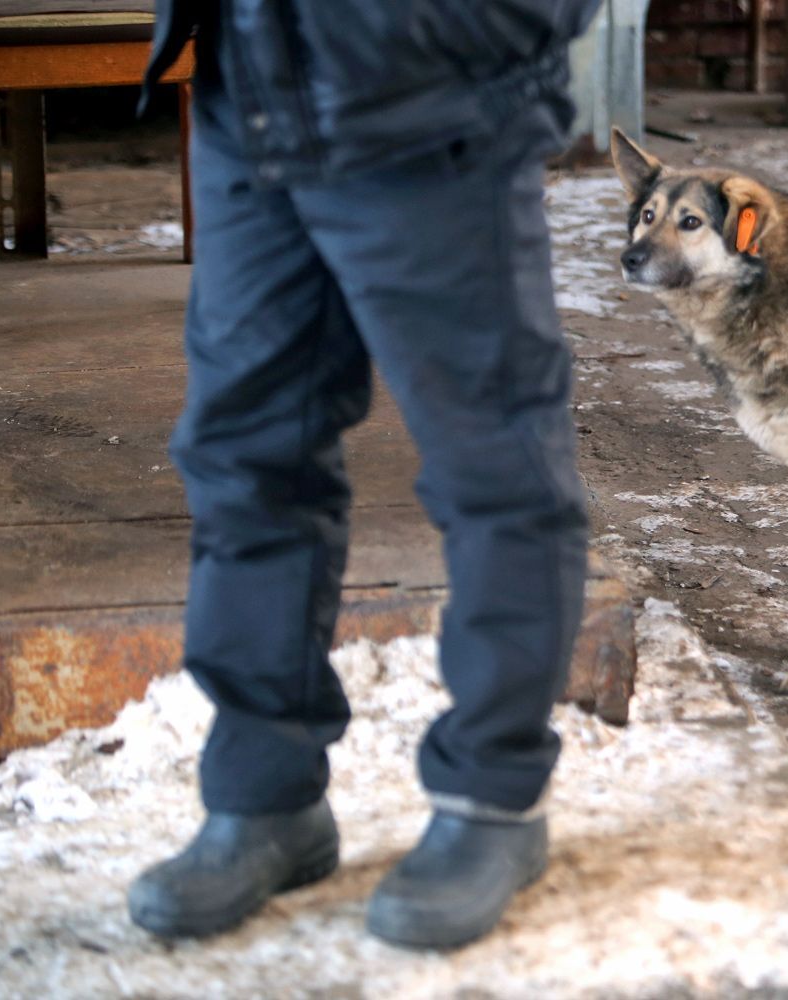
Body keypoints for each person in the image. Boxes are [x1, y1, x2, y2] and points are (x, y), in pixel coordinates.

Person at [126, 0, 598, 950]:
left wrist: (432, 40)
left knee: (492, 464)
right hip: (247, 96)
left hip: (429, 107)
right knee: (247, 458)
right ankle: (263, 798)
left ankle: (492, 801)